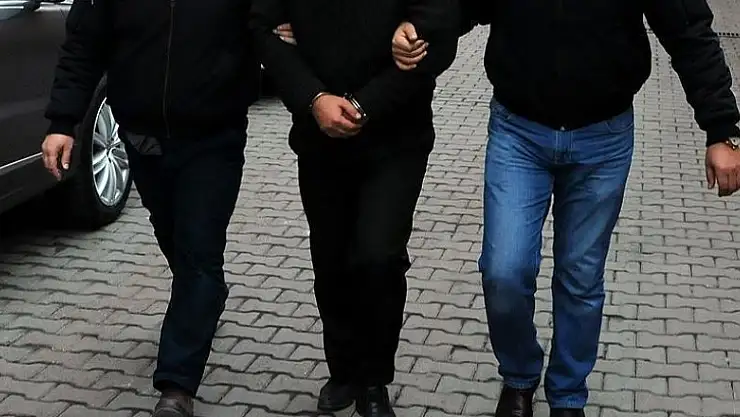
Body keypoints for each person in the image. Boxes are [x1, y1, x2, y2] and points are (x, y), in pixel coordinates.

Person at [391, 1, 740, 417]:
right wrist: (417, 27)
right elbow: (462, 3)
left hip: (603, 139)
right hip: (519, 133)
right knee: (504, 270)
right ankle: (519, 376)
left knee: (580, 275)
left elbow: (688, 28)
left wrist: (722, 128)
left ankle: (568, 394)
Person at [41, 1, 278, 416]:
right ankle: (205, 296)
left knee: (199, 250)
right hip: (143, 137)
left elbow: (271, 22)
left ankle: (177, 384)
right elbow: (83, 44)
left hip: (214, 135)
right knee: (175, 238)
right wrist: (63, 121)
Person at [249, 1, 459, 416]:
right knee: (332, 260)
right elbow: (261, 26)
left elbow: (438, 34)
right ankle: (343, 369)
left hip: (396, 136)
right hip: (319, 136)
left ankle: (374, 378)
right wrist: (313, 98)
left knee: (378, 257)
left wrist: (365, 104)